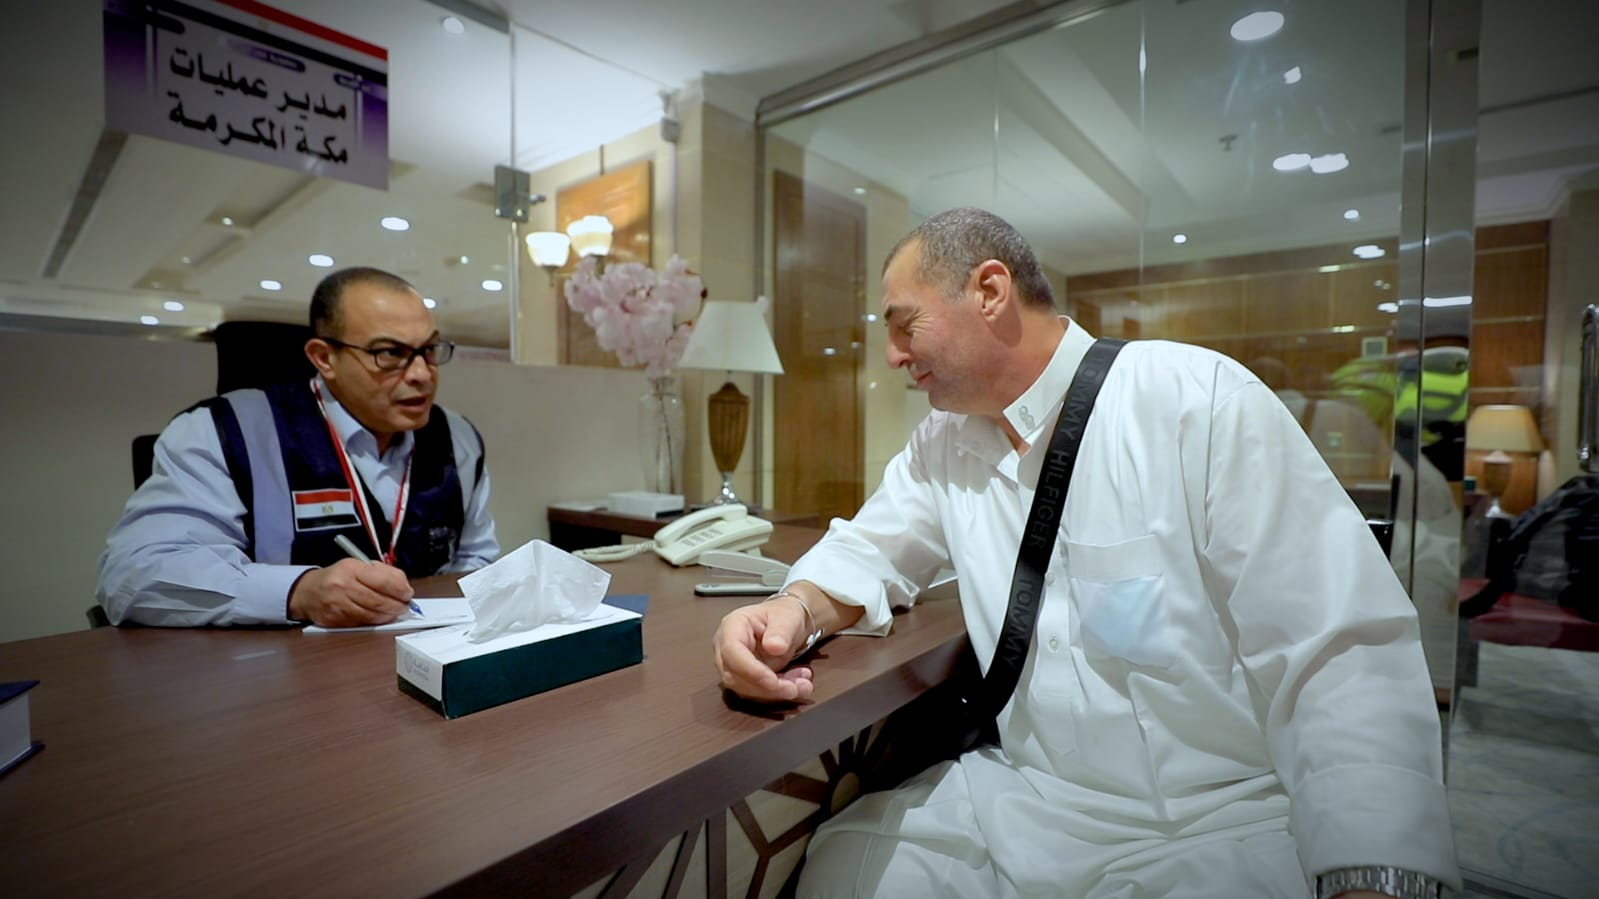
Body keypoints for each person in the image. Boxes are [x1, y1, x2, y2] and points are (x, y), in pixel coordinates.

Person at [713, 209, 1458, 898]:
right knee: (841, 871)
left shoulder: (1194, 400)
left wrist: (1369, 873)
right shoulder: (943, 444)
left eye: (905, 324)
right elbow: (870, 550)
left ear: (990, 292)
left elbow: (1338, 652)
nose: (892, 354)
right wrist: (791, 610)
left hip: (1216, 821)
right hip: (1024, 798)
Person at [98, 267, 499, 628]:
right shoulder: (225, 431)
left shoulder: (456, 437)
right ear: (324, 358)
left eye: (429, 350)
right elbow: (132, 575)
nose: (421, 375)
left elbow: (476, 561)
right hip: (275, 670)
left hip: (423, 653)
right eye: (390, 353)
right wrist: (299, 592)